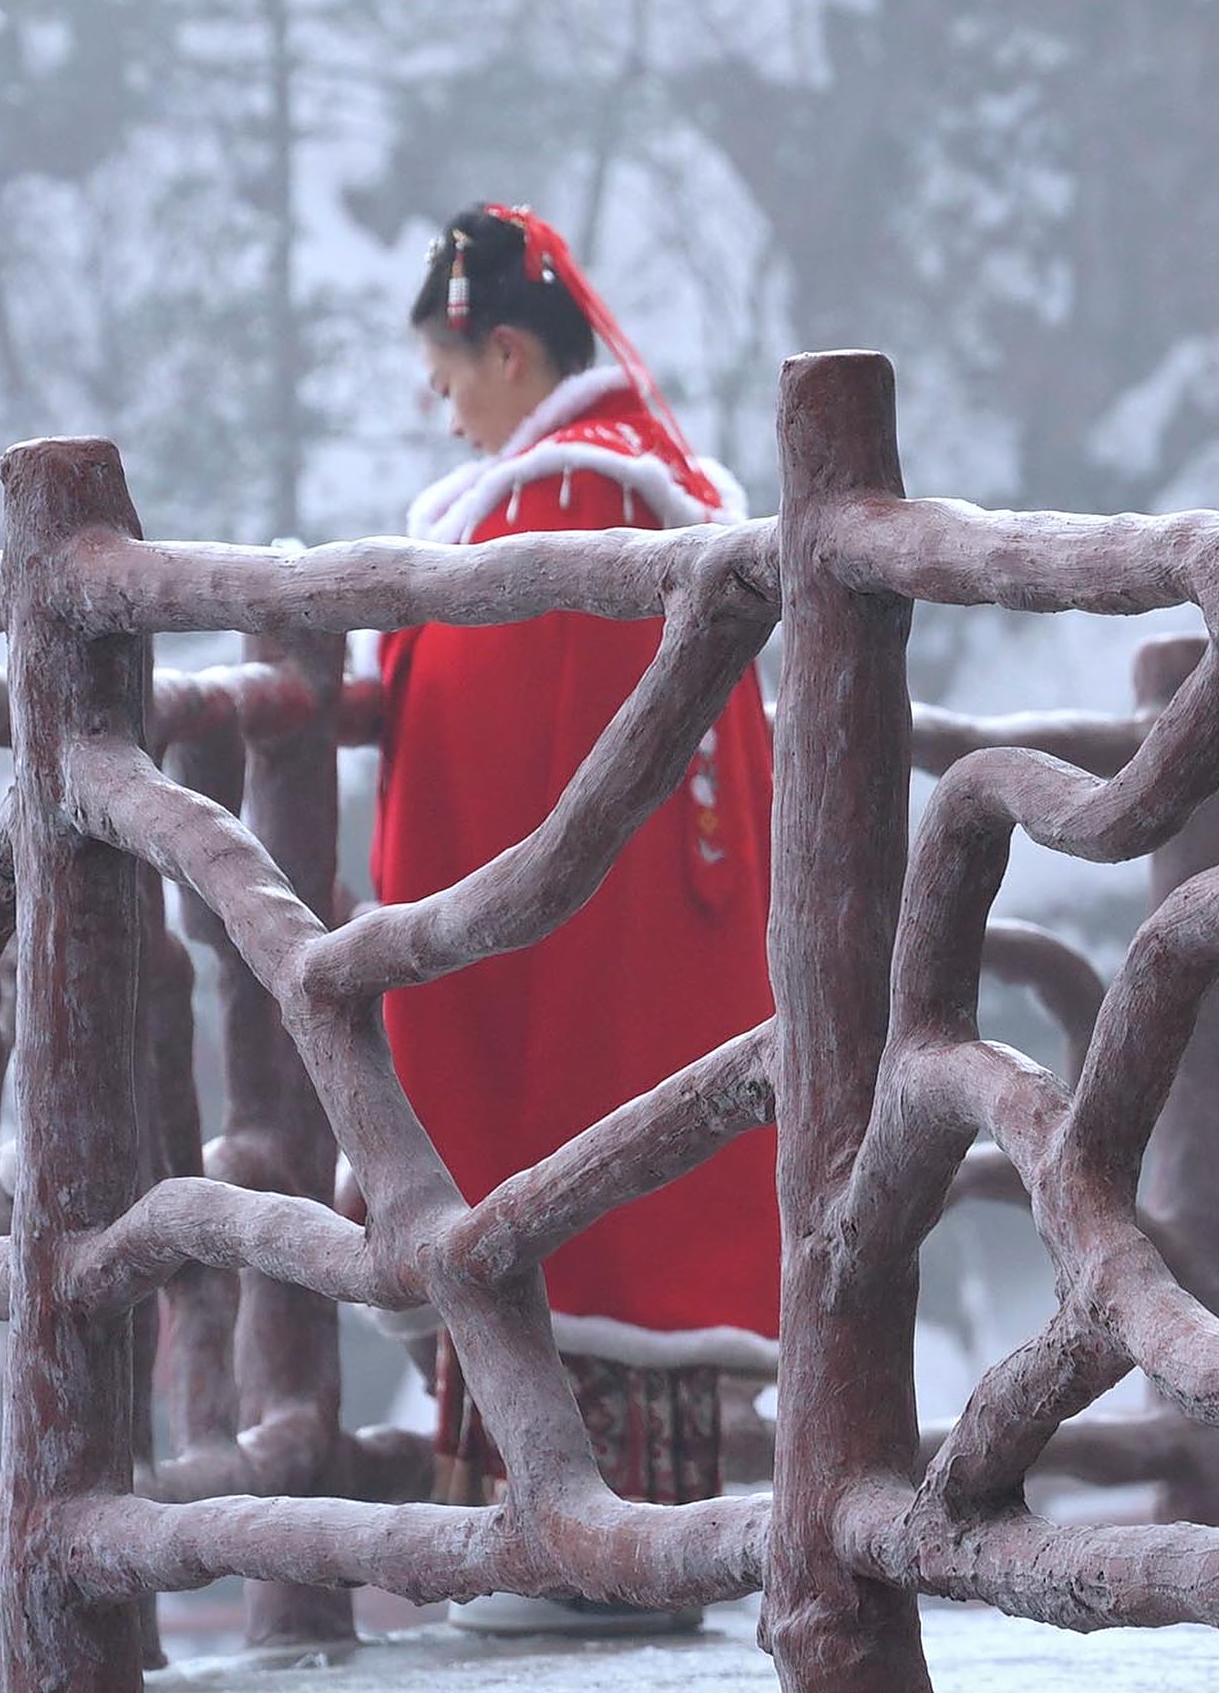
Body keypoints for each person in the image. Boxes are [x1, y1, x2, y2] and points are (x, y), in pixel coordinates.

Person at [370, 204, 775, 1597]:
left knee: (563, 1211)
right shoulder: (633, 490)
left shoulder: (571, 507)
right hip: (639, 950)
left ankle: (568, 1553)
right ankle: (627, 1546)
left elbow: (481, 749)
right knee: (620, 1214)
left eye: (447, 377)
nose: (444, 412)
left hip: (575, 965)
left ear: (506, 353)